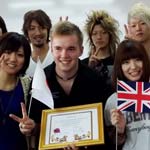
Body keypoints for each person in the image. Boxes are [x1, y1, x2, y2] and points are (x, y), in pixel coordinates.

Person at [29, 21, 111, 150]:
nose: (64, 55)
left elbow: (105, 126)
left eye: (71, 49)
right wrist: (30, 128)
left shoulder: (96, 81)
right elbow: (36, 125)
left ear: (81, 50)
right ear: (51, 49)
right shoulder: (39, 82)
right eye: (58, 48)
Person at [104, 39, 150, 150]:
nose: (133, 67)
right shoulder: (113, 101)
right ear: (119, 66)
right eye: (126, 62)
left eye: (138, 60)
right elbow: (113, 144)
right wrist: (120, 130)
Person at [0, 32, 36, 150]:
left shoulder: (29, 85)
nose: (13, 59)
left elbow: (36, 125)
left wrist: (30, 127)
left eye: (20, 55)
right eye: (8, 52)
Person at [82, 10, 120, 100]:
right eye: (94, 34)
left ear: (110, 35)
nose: (99, 37)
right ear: (90, 37)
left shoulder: (119, 60)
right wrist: (89, 69)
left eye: (103, 32)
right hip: (94, 109)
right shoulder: (83, 64)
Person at [22, 9, 53, 77]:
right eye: (32, 28)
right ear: (26, 32)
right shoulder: (23, 58)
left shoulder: (57, 54)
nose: (38, 33)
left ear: (48, 29)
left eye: (42, 28)